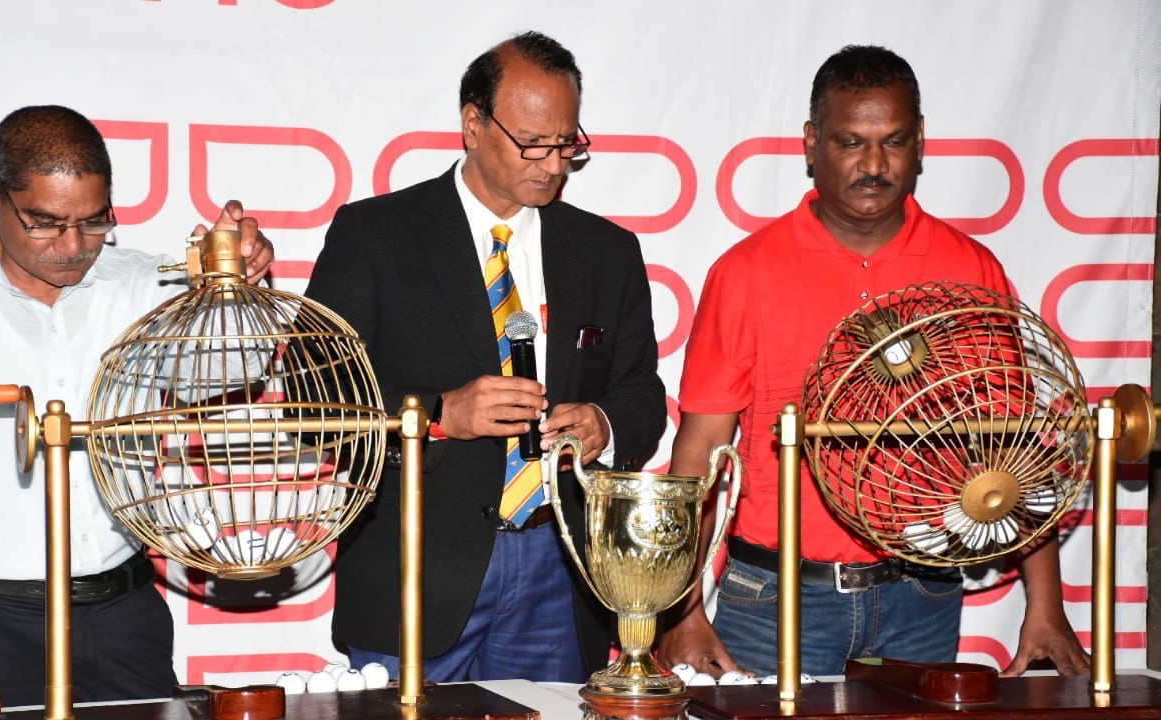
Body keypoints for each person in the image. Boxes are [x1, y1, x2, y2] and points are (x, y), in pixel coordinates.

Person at [657, 45, 1090, 679]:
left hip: (924, 597)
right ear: (812, 144)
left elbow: (1016, 445)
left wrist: (1045, 604)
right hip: (775, 599)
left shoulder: (971, 270)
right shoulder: (745, 273)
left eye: (893, 142)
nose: (874, 165)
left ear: (920, 142)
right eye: (851, 143)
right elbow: (700, 454)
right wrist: (681, 607)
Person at [0, 105, 273, 719]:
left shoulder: (143, 283)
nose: (72, 247)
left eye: (93, 223)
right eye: (45, 223)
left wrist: (234, 288)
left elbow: (236, 369)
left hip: (126, 615)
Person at [307, 31, 666, 681]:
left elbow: (642, 392)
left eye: (567, 144)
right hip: (416, 577)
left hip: (561, 576)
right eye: (533, 143)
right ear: (473, 124)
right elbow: (315, 403)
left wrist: (604, 424)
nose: (553, 165)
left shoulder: (606, 252)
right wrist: (439, 414)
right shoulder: (374, 236)